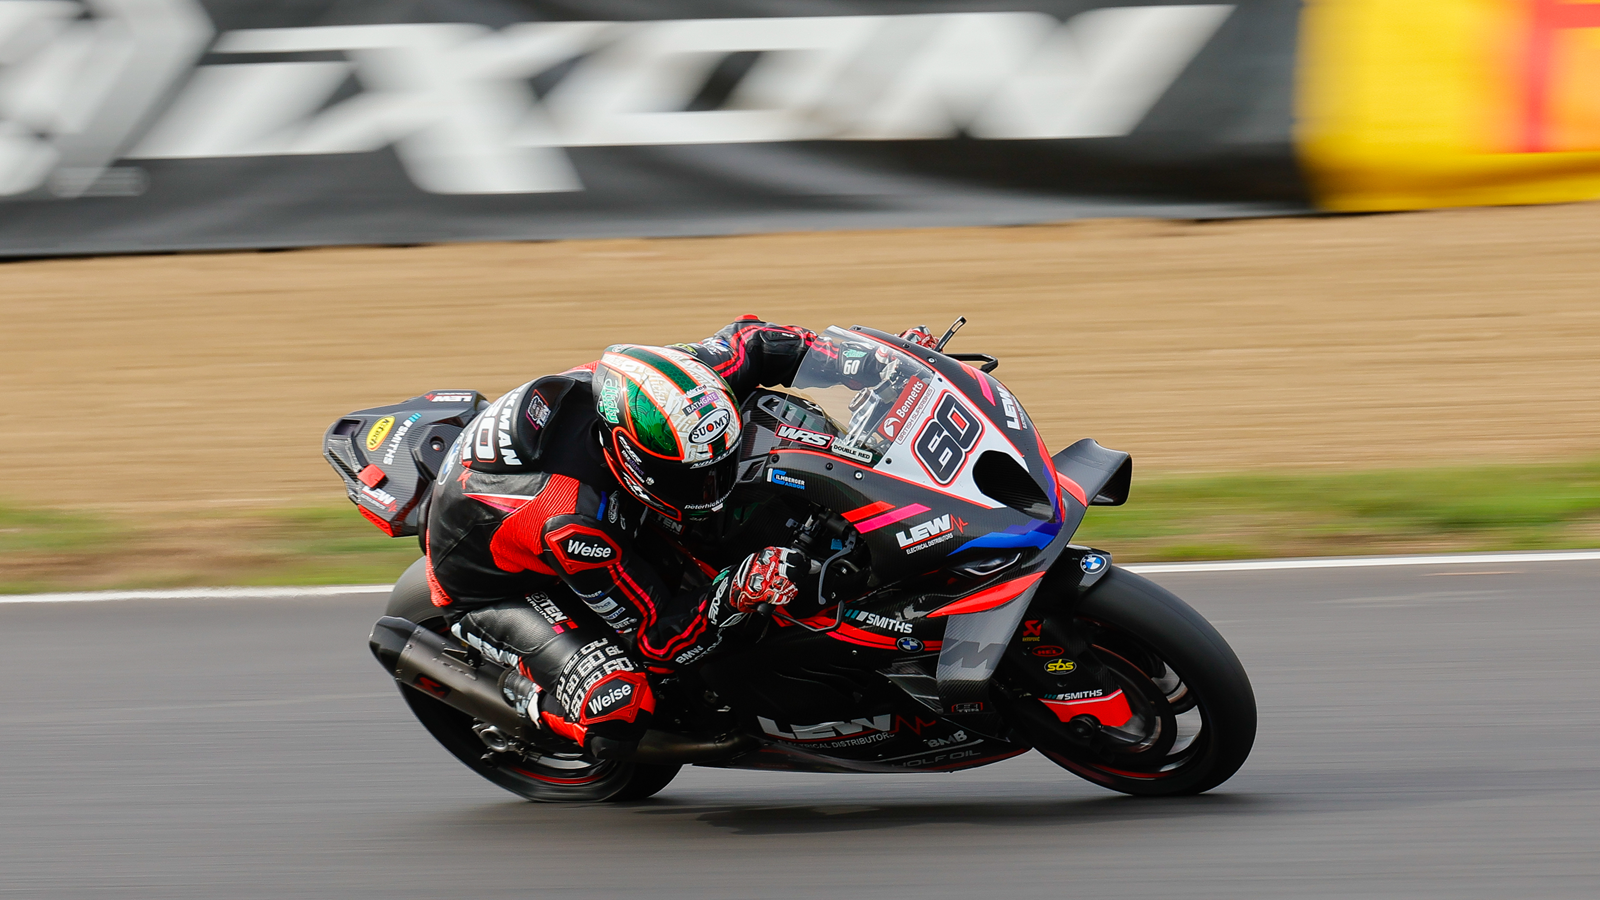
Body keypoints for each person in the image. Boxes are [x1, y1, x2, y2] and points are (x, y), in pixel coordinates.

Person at [423, 317, 938, 760]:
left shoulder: (679, 388)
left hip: (585, 494)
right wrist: (737, 592)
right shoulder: (574, 523)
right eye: (699, 479)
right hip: (495, 588)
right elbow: (657, 639)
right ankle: (529, 698)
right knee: (617, 703)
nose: (716, 485)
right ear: (633, 462)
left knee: (774, 435)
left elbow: (755, 342)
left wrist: (872, 363)